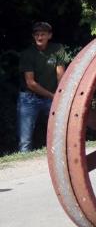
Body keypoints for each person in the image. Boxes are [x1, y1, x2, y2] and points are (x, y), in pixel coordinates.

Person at [17, 22, 65, 152]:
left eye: (43, 34)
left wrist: (60, 94)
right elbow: (30, 83)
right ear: (33, 36)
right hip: (29, 98)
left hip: (52, 97)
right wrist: (53, 96)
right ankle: (22, 165)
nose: (39, 37)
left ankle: (59, 156)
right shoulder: (27, 54)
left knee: (59, 130)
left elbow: (61, 74)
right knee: (25, 140)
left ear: (49, 36)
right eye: (37, 34)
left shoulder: (57, 49)